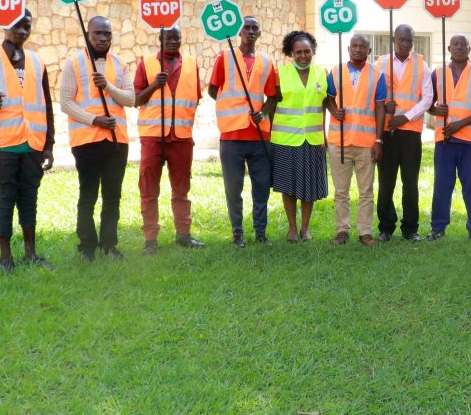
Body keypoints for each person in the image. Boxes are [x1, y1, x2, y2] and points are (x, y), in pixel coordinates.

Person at [0, 10, 54, 272]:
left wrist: (49, 144)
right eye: (16, 26)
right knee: (5, 198)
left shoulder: (37, 62)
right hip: (2, 144)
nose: (21, 31)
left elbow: (47, 105)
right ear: (4, 27)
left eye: (26, 26)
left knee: (29, 197)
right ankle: (5, 257)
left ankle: (31, 252)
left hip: (32, 143)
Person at [60, 16, 133, 261]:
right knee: (88, 194)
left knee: (113, 196)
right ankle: (87, 247)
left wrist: (109, 87)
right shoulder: (74, 63)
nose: (103, 38)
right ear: (88, 35)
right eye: (97, 34)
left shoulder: (120, 63)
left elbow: (131, 99)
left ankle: (109, 245)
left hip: (117, 141)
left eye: (107, 34)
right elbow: (66, 103)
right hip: (87, 141)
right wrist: (95, 120)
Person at [133, 26, 204, 254]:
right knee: (149, 188)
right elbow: (135, 99)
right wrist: (155, 84)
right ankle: (150, 239)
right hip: (152, 137)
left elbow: (195, 98)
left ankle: (183, 234)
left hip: (182, 138)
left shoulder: (192, 64)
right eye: (168, 38)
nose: (173, 41)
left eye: (177, 38)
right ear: (160, 39)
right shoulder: (146, 63)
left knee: (181, 188)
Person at [208, 16, 277, 248]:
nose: (250, 31)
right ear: (239, 32)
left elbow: (274, 96)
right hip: (232, 135)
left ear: (259, 33)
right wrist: (231, 108)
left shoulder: (266, 61)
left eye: (254, 28)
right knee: (233, 188)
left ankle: (260, 232)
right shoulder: (224, 57)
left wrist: (264, 112)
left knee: (261, 186)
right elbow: (212, 89)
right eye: (246, 27)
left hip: (259, 134)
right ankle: (237, 233)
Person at [428, 34, 471, 242]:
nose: (458, 48)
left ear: (469, 48)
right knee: (442, 185)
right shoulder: (437, 73)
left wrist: (460, 123)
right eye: (455, 44)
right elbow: (427, 104)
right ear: (449, 48)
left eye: (462, 45)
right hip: (444, 139)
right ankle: (438, 227)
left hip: (470, 140)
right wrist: (436, 110)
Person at [325, 34, 387, 246]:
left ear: (369, 51)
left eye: (363, 47)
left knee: (366, 191)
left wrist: (378, 140)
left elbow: (380, 106)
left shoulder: (377, 74)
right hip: (339, 141)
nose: (358, 49)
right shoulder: (335, 71)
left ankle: (365, 231)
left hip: (365, 142)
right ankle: (342, 230)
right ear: (348, 48)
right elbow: (328, 98)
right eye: (354, 46)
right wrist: (334, 111)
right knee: (341, 191)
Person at [376, 25, 432, 243]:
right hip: (387, 131)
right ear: (393, 39)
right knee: (386, 182)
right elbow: (372, 93)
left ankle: (410, 228)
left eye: (410, 41)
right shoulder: (380, 63)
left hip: (410, 132)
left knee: (410, 182)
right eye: (402, 40)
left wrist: (406, 116)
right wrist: (382, 104)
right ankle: (386, 227)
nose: (406, 45)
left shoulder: (421, 64)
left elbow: (427, 98)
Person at [271, 30, 329, 242]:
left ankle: (306, 229)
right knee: (289, 185)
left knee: (309, 187)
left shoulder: (321, 74)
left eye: (307, 51)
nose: (303, 56)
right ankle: (292, 228)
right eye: (298, 52)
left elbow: (323, 105)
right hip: (286, 140)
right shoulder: (280, 74)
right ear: (291, 53)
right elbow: (272, 104)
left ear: (313, 51)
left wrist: (324, 135)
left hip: (313, 140)